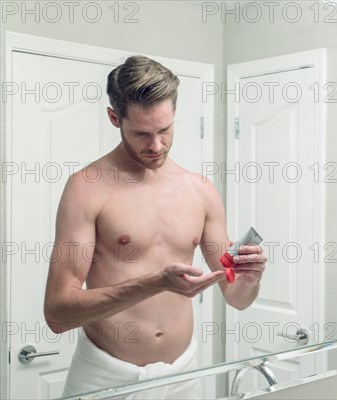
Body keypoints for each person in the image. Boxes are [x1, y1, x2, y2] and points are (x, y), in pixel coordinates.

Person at [43, 55, 267, 398]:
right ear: (114, 118)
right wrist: (153, 283)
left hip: (183, 375)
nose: (156, 145)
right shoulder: (86, 188)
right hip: (106, 377)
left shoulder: (201, 190)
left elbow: (236, 297)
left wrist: (250, 279)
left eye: (165, 130)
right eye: (142, 133)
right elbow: (58, 314)